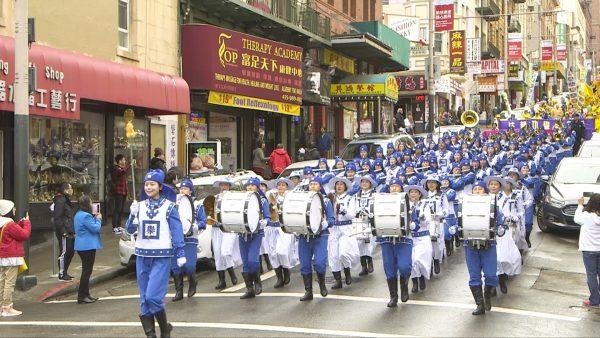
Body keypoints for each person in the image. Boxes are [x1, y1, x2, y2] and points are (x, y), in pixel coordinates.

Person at [125, 170, 186, 338]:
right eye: (146, 184)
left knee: (153, 297)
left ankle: (164, 328)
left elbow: (177, 230)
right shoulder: (140, 206)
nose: (149, 187)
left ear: (160, 186)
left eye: (152, 184)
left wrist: (180, 250)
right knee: (144, 299)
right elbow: (129, 229)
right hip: (142, 256)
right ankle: (151, 334)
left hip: (161, 257)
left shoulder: (169, 207)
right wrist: (132, 214)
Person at [465, 180, 503, 315]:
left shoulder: (492, 205)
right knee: (474, 276)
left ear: (485, 192)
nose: (477, 191)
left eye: (480, 189)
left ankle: (487, 295)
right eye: (475, 189)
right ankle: (480, 304)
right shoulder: (466, 205)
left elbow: (500, 221)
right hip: (470, 245)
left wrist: (500, 228)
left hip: (489, 244)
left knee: (491, 275)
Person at [378, 178, 414, 307]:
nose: (393, 188)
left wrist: (413, 223)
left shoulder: (407, 201)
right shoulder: (382, 201)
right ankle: (393, 296)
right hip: (387, 238)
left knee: (404, 267)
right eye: (391, 186)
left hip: (404, 239)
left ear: (401, 188)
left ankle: (404, 286)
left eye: (396, 186)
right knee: (389, 268)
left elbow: (413, 216)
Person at [298, 176, 333, 301]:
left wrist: (326, 224)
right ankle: (309, 291)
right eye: (310, 184)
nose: (312, 186)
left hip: (320, 236)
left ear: (320, 186)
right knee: (305, 265)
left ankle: (322, 284)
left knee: (319, 263)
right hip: (304, 236)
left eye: (315, 184)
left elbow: (331, 219)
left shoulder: (326, 201)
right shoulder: (302, 200)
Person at [171, 178, 203, 302]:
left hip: (190, 239)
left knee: (189, 266)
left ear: (190, 191)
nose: (182, 191)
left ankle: (192, 282)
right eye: (181, 189)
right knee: (176, 266)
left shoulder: (197, 204)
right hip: (176, 238)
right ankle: (179, 290)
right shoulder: (173, 204)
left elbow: (203, 221)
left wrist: (197, 225)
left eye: (185, 188)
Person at [327, 177, 359, 289]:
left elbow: (352, 215)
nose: (339, 186)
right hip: (333, 229)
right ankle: (338, 280)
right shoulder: (330, 198)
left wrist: (342, 210)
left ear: (345, 186)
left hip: (346, 228)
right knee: (334, 255)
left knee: (344, 253)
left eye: (341, 184)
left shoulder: (350, 198)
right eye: (337, 184)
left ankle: (347, 272)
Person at [0, 200, 31, 317]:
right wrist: (27, 223)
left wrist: (21, 223)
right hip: (11, 257)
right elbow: (24, 235)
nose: (15, 210)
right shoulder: (9, 224)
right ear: (8, 211)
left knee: (2, 281)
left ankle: (2, 306)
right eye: (13, 208)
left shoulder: (4, 223)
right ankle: (7, 308)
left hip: (2, 256)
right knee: (9, 282)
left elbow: (13, 232)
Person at [211, 179, 241, 290]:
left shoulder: (233, 198)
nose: (223, 187)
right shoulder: (214, 198)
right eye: (221, 185)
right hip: (216, 229)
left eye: (225, 185)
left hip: (229, 228)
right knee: (218, 254)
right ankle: (221, 280)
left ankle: (232, 274)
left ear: (229, 186)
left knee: (225, 252)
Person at [73, 195, 102, 304]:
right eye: (90, 202)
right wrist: (98, 219)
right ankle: (82, 296)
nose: (92, 204)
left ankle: (86, 294)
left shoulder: (78, 214)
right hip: (87, 246)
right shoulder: (86, 216)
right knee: (86, 272)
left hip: (82, 246)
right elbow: (96, 228)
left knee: (87, 271)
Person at [574, 193, 600, 308]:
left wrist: (580, 204)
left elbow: (576, 219)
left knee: (591, 275)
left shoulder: (586, 215)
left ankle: (594, 300)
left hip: (589, 250)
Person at [52, 182, 75, 281]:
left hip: (69, 230)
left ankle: (65, 271)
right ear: (65, 190)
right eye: (70, 188)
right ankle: (62, 273)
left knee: (71, 251)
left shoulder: (65, 200)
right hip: (64, 231)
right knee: (64, 252)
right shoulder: (61, 201)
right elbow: (57, 218)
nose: (72, 190)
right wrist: (63, 231)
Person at [111, 154, 130, 235]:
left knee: (121, 209)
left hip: (123, 192)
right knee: (117, 209)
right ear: (119, 161)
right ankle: (114, 226)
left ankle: (119, 225)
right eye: (123, 160)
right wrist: (130, 165)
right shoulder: (116, 168)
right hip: (118, 192)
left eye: (125, 160)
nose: (124, 161)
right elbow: (122, 172)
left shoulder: (122, 168)